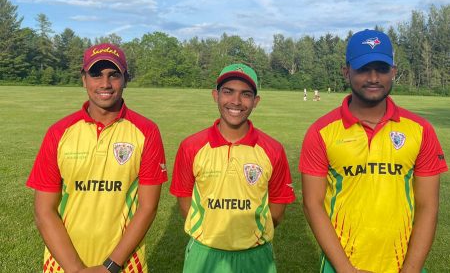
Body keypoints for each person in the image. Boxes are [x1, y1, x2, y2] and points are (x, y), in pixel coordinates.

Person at [299, 29, 447, 273]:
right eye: (363, 69)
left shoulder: (421, 130)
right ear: (346, 71)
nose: (373, 77)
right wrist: (345, 269)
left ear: (394, 72)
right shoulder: (321, 132)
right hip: (341, 266)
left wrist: (410, 270)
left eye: (382, 68)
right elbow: (312, 204)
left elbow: (428, 205)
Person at [26, 43, 168, 273]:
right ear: (84, 79)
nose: (105, 84)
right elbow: (44, 210)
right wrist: (76, 269)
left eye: (114, 75)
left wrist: (110, 266)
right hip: (63, 262)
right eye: (96, 74)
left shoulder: (147, 131)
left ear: (125, 79)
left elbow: (148, 207)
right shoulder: (59, 132)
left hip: (125, 263)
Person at [170, 63, 296, 273]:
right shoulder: (191, 146)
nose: (236, 101)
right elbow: (185, 202)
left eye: (245, 94)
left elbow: (278, 207)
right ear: (215, 95)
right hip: (205, 252)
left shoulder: (272, 149)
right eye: (228, 92)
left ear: (256, 101)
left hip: (255, 255)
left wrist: (252, 234)